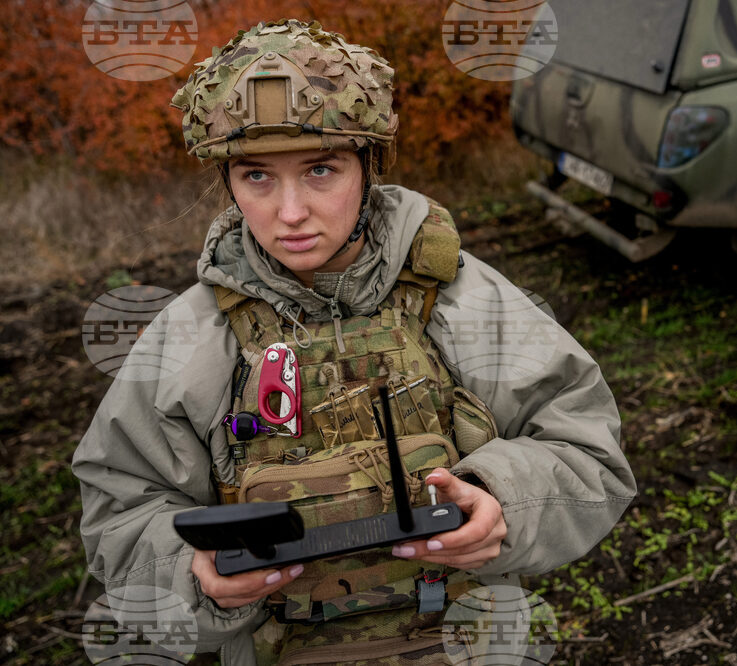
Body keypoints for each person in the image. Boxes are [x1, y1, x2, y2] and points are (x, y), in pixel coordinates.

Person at [73, 18, 636, 665]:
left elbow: (587, 450)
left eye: (320, 169)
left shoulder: (456, 296)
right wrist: (189, 575)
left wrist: (504, 503)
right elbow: (117, 512)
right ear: (226, 181)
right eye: (257, 176)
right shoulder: (191, 335)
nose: (290, 213)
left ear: (368, 166)